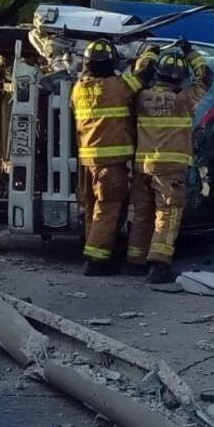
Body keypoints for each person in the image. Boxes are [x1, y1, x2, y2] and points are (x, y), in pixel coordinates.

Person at [126, 41, 213, 283]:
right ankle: (159, 265)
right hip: (171, 168)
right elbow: (206, 75)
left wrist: (149, 54)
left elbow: (137, 77)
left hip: (143, 165)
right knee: (168, 214)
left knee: (142, 212)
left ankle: (135, 261)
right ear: (181, 78)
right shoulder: (185, 98)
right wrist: (190, 52)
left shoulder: (141, 96)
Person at [71, 39, 154, 276]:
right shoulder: (116, 87)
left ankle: (94, 250)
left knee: (92, 208)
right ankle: (96, 262)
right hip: (110, 164)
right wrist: (151, 54)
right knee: (108, 209)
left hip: (87, 162)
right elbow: (142, 76)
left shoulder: (78, 88)